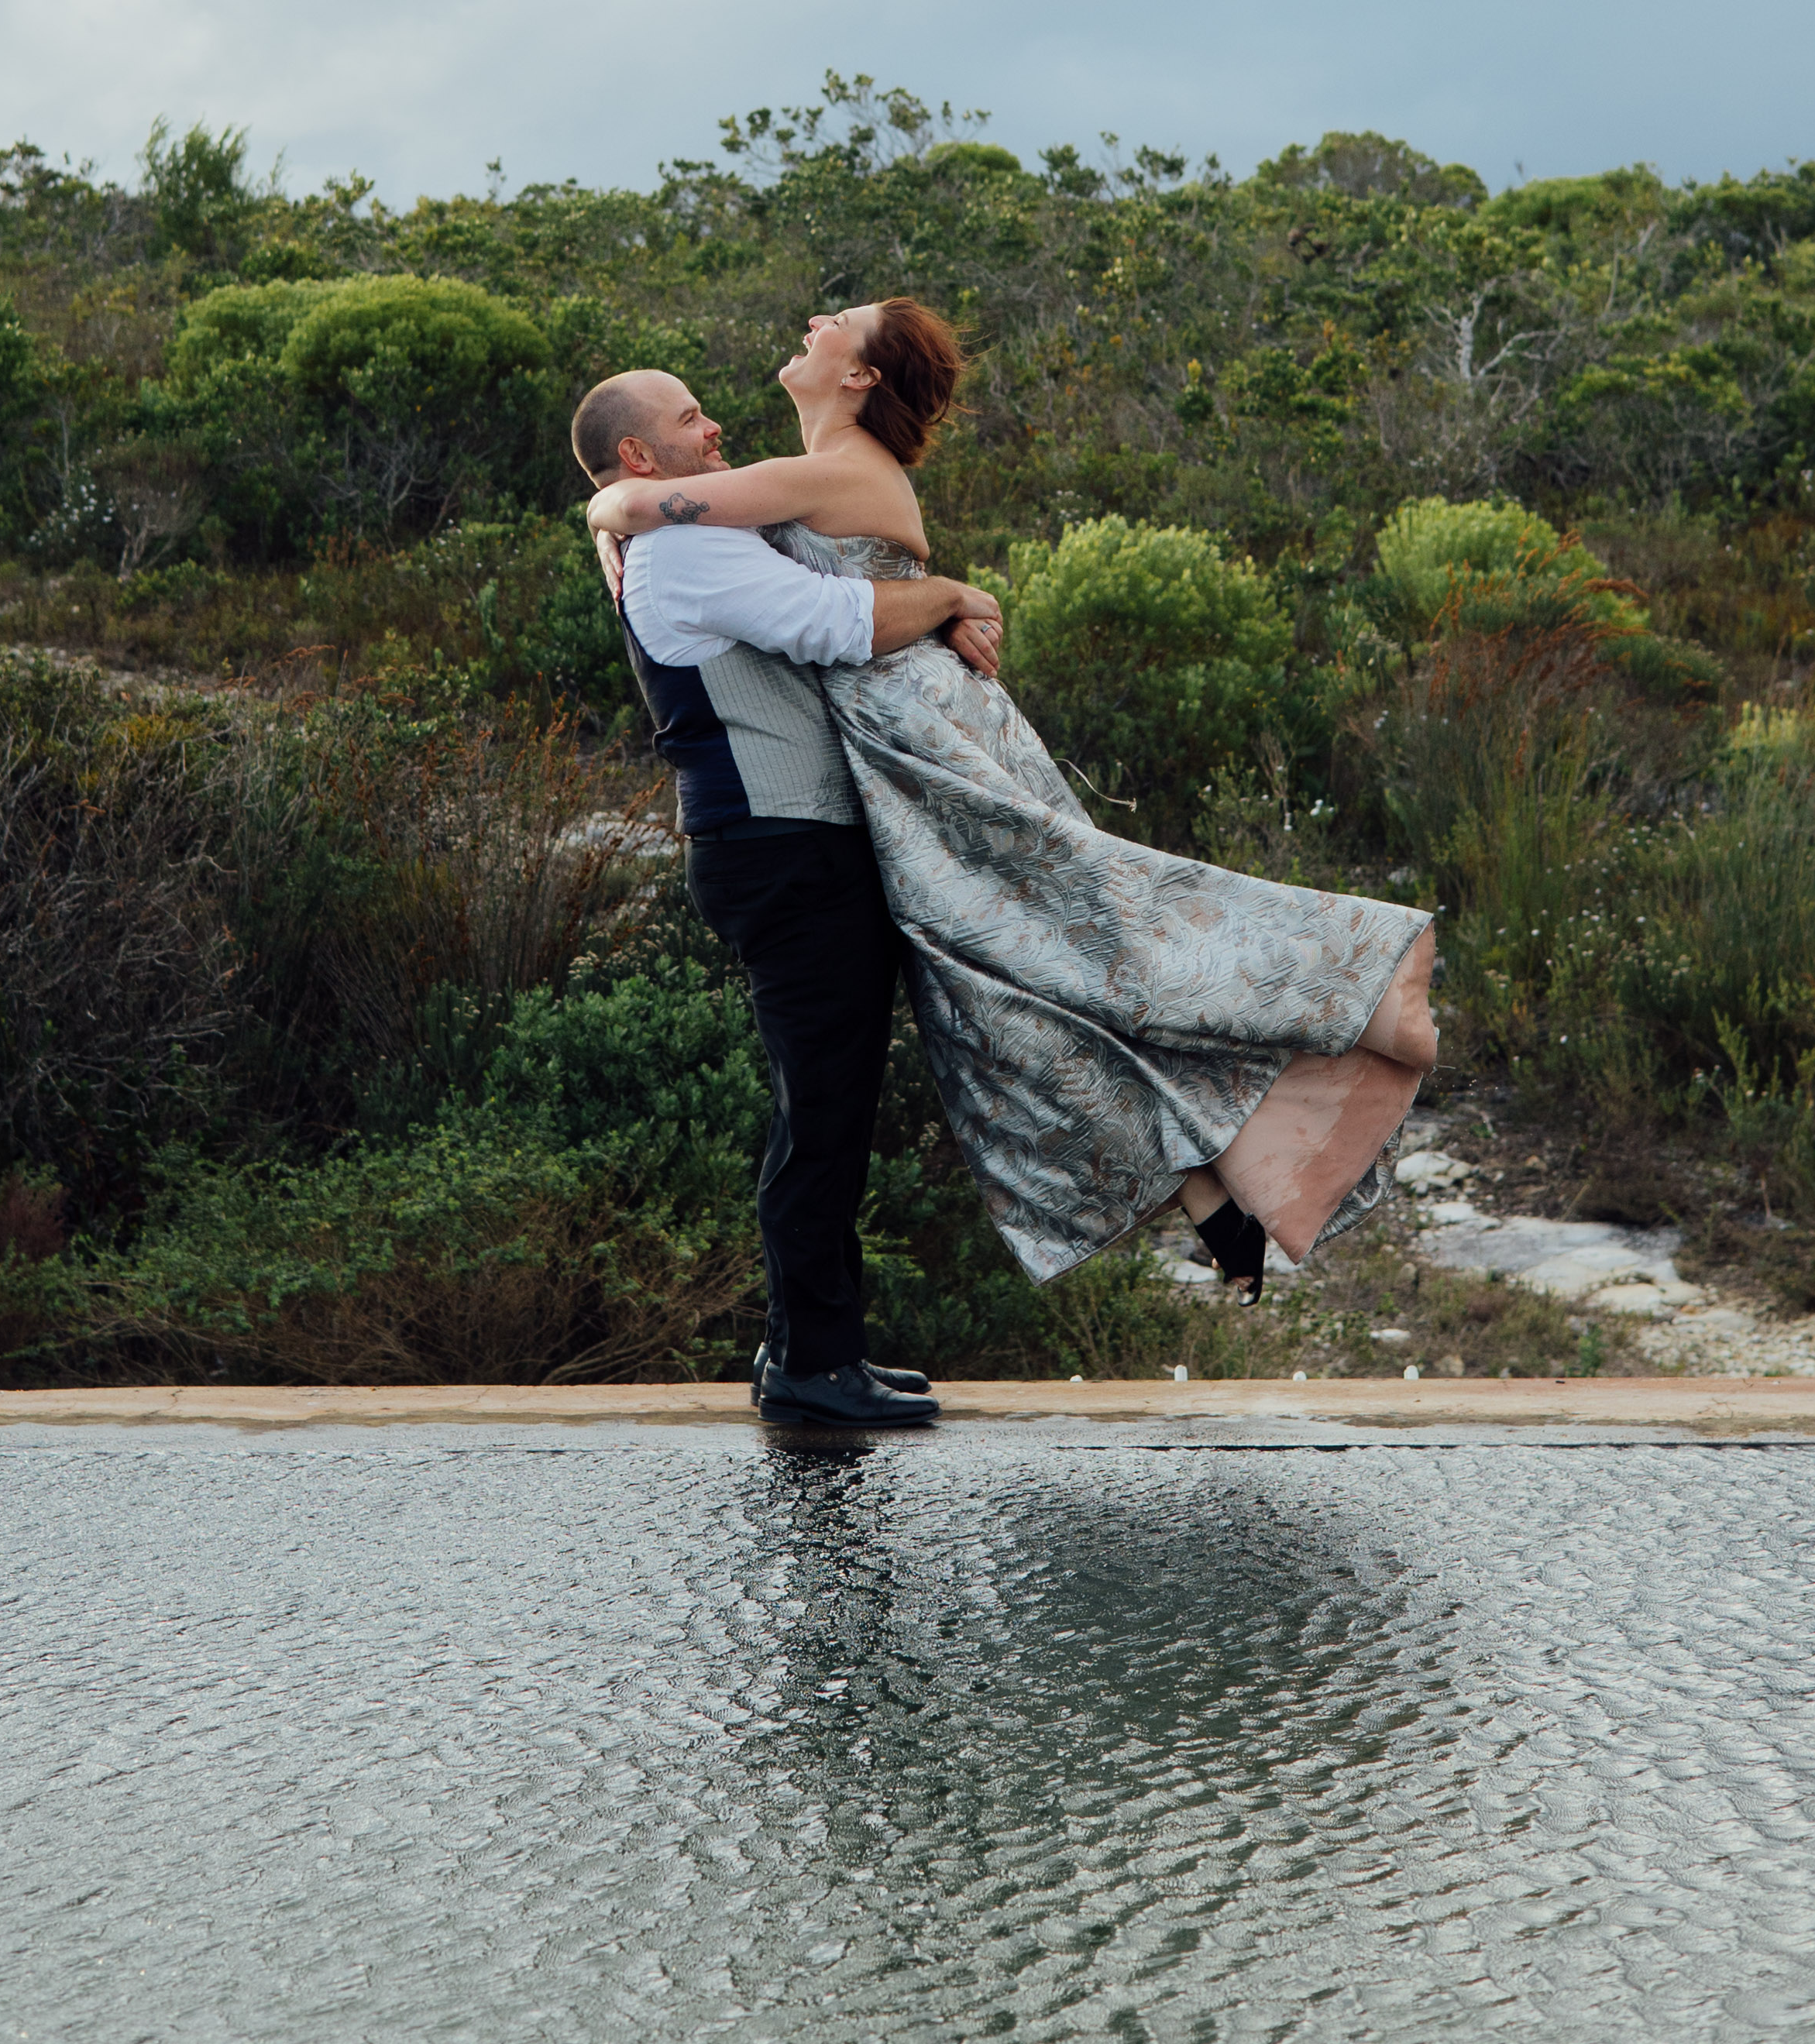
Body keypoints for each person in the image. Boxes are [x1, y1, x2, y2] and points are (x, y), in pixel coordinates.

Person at [586, 298, 1439, 1307]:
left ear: (860, 377)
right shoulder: (809, 474)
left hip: (931, 744)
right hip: (905, 752)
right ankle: (1212, 1188)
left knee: (1071, 947)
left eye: (839, 320)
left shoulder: (828, 470)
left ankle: (1346, 995)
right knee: (1019, 978)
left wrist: (606, 510)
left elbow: (644, 504)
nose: (815, 318)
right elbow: (669, 509)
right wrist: (943, 599)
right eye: (688, 417)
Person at [569, 362, 1007, 1431]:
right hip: (780, 850)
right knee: (821, 1112)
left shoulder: (676, 530)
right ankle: (813, 1361)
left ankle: (811, 1348)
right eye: (689, 419)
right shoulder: (682, 551)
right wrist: (951, 596)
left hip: (785, 848)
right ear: (639, 455)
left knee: (827, 1106)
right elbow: (834, 620)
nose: (713, 426)